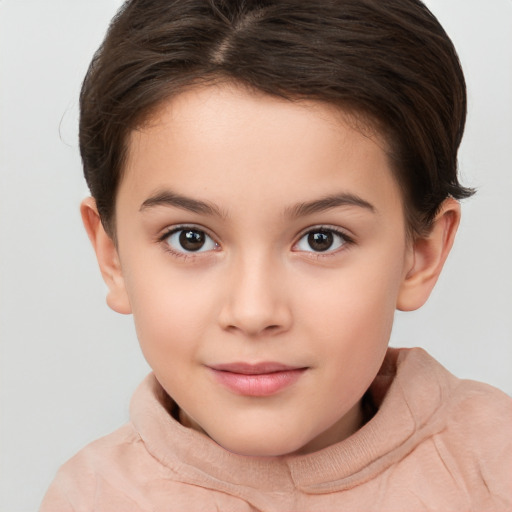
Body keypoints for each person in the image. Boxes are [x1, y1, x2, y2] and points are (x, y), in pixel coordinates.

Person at [40, 0, 512, 510]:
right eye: (190, 238)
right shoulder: (89, 498)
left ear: (421, 253)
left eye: (321, 239)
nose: (253, 312)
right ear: (112, 256)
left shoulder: (493, 464)